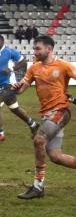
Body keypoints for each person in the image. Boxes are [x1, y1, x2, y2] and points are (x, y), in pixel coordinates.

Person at [11, 36, 76, 199]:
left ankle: (38, 186)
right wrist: (16, 87)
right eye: (34, 49)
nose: (35, 52)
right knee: (56, 156)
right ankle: (38, 187)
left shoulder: (63, 66)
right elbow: (21, 90)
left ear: (49, 48)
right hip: (48, 114)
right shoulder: (34, 68)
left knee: (39, 140)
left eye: (38, 48)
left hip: (61, 111)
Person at [0, 34, 38, 143]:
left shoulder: (10, 52)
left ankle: (0, 133)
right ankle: (33, 124)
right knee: (14, 108)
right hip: (1, 86)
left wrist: (11, 69)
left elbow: (23, 61)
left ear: (2, 42)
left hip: (10, 84)